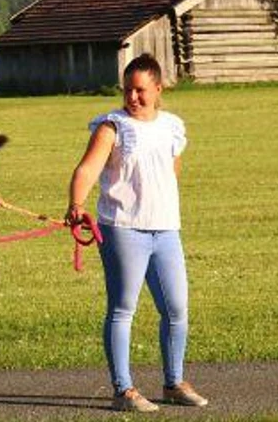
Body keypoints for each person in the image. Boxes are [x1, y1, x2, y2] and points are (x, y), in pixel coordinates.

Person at [65, 53, 210, 412]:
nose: (132, 97)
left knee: (176, 308)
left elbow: (171, 172)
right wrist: (76, 204)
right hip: (122, 229)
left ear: (158, 89)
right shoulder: (112, 127)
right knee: (123, 308)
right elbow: (87, 169)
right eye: (127, 90)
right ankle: (123, 390)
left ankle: (174, 382)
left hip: (165, 230)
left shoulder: (172, 127)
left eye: (140, 90)